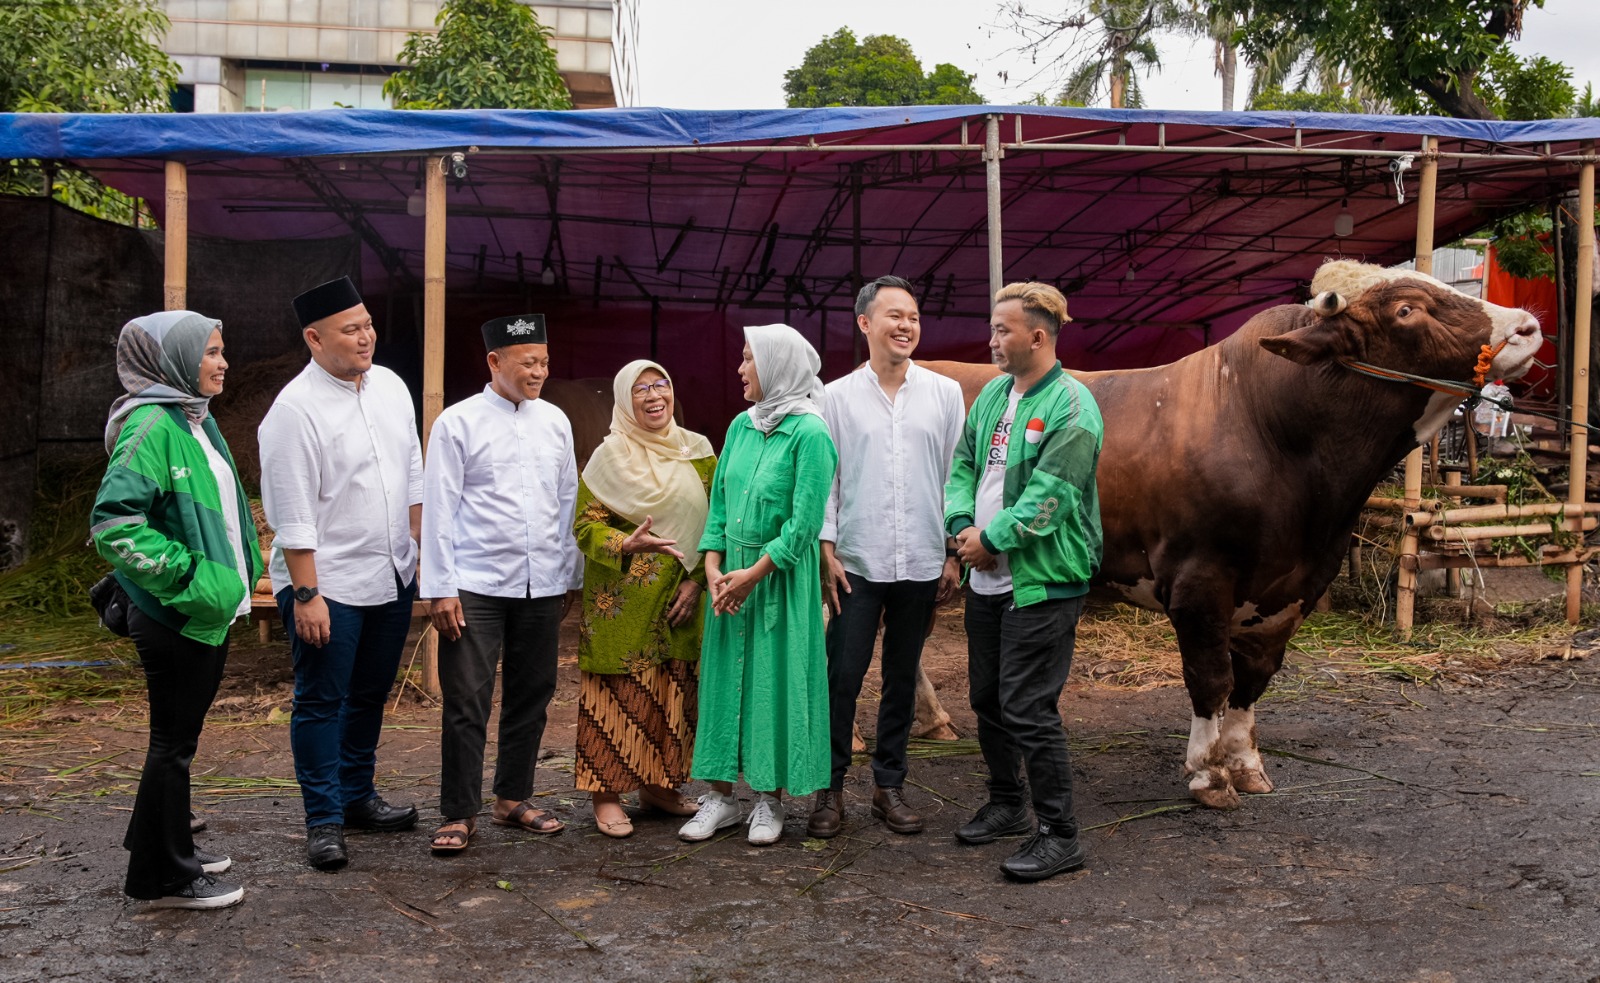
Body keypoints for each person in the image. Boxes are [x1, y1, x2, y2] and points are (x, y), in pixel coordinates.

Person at [91, 310, 260, 909]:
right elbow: (114, 525)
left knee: (175, 740)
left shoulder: (190, 418)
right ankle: (162, 877)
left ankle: (157, 841)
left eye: (222, 350)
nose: (222, 363)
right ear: (172, 360)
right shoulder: (151, 426)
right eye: (210, 352)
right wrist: (191, 578)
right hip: (175, 612)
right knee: (173, 744)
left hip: (202, 607)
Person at [259, 276, 424, 871]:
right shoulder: (293, 411)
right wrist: (307, 594)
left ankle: (357, 796)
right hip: (327, 584)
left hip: (390, 573)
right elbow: (292, 510)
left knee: (371, 693)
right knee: (322, 699)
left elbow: (411, 469)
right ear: (313, 338)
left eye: (368, 325)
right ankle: (323, 820)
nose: (367, 337)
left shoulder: (391, 388)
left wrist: (415, 543)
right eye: (351, 329)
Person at [944, 281, 1103, 883]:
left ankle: (1061, 835)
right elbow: (962, 464)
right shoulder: (992, 396)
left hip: (1042, 580)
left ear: (1038, 336)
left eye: (1002, 330)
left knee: (1029, 707)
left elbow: (1053, 496)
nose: (992, 340)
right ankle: (1008, 803)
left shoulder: (1072, 406)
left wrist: (992, 540)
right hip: (987, 576)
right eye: (993, 328)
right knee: (988, 699)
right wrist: (961, 525)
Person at [809, 276, 964, 840]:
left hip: (922, 559)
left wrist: (953, 550)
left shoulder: (944, 394)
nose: (906, 326)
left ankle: (888, 786)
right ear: (865, 324)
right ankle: (829, 790)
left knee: (902, 677)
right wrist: (825, 545)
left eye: (914, 317)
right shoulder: (833, 397)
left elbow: (956, 478)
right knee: (842, 676)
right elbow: (825, 480)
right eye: (894, 315)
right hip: (855, 560)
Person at [421, 314, 582, 854]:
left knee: (533, 694)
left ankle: (513, 797)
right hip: (475, 584)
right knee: (467, 698)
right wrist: (440, 587)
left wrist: (567, 576)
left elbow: (566, 503)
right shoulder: (457, 423)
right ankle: (459, 810)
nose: (540, 371)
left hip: (541, 584)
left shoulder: (555, 421)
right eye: (528, 363)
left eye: (544, 361)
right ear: (494, 361)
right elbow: (440, 508)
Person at [679, 325, 838, 846]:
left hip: (777, 580)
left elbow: (804, 523)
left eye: (749, 360)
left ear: (776, 368)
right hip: (731, 580)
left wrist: (754, 574)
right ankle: (721, 798)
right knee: (723, 684)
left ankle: (769, 801)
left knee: (775, 683)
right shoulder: (741, 427)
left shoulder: (811, 434)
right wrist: (713, 567)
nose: (741, 369)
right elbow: (720, 503)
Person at [571, 360, 716, 838]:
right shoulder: (608, 457)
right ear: (623, 400)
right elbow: (585, 527)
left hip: (681, 597)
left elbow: (717, 525)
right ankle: (607, 793)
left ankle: (659, 786)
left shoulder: (699, 453)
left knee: (673, 691)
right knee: (618, 693)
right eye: (641, 390)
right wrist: (624, 544)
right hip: (622, 600)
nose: (654, 396)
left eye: (662, 385)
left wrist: (697, 581)